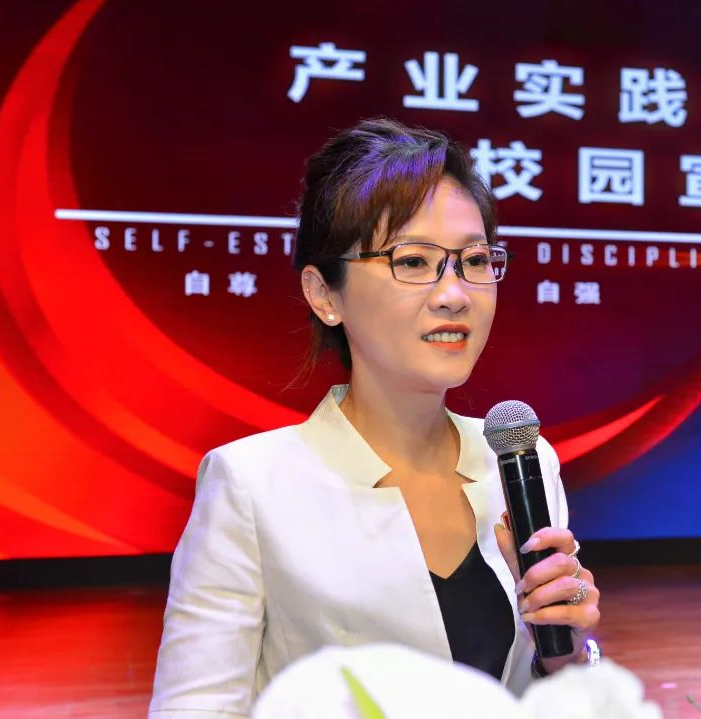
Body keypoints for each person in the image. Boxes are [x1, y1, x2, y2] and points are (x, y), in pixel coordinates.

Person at [148, 118, 601, 718]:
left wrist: (565, 655)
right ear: (323, 295)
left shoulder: (520, 460)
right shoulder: (250, 485)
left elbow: (540, 694)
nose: (455, 294)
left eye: (474, 259)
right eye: (412, 261)